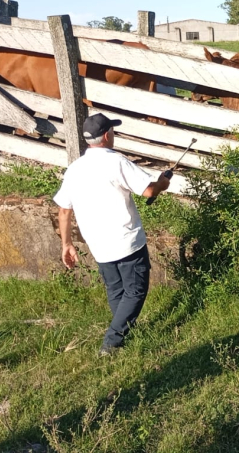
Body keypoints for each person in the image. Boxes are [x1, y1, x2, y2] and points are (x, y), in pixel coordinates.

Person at [54, 113, 171, 356]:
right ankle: (111, 341)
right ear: (107, 135)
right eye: (113, 131)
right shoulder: (116, 162)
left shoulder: (74, 169)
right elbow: (148, 191)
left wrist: (67, 244)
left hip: (98, 244)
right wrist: (162, 183)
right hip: (127, 241)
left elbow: (64, 210)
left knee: (117, 290)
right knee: (136, 290)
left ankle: (125, 334)